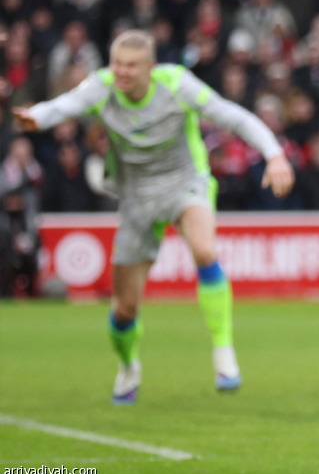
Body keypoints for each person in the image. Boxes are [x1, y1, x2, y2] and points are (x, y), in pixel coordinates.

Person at [13, 30, 294, 404]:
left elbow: (234, 116)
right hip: (135, 196)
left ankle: (224, 353)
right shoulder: (102, 86)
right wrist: (35, 116)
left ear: (151, 67)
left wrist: (274, 155)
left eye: (131, 65)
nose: (122, 72)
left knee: (204, 250)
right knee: (124, 309)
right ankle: (128, 365)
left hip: (185, 182)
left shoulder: (176, 83)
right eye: (117, 63)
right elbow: (65, 105)